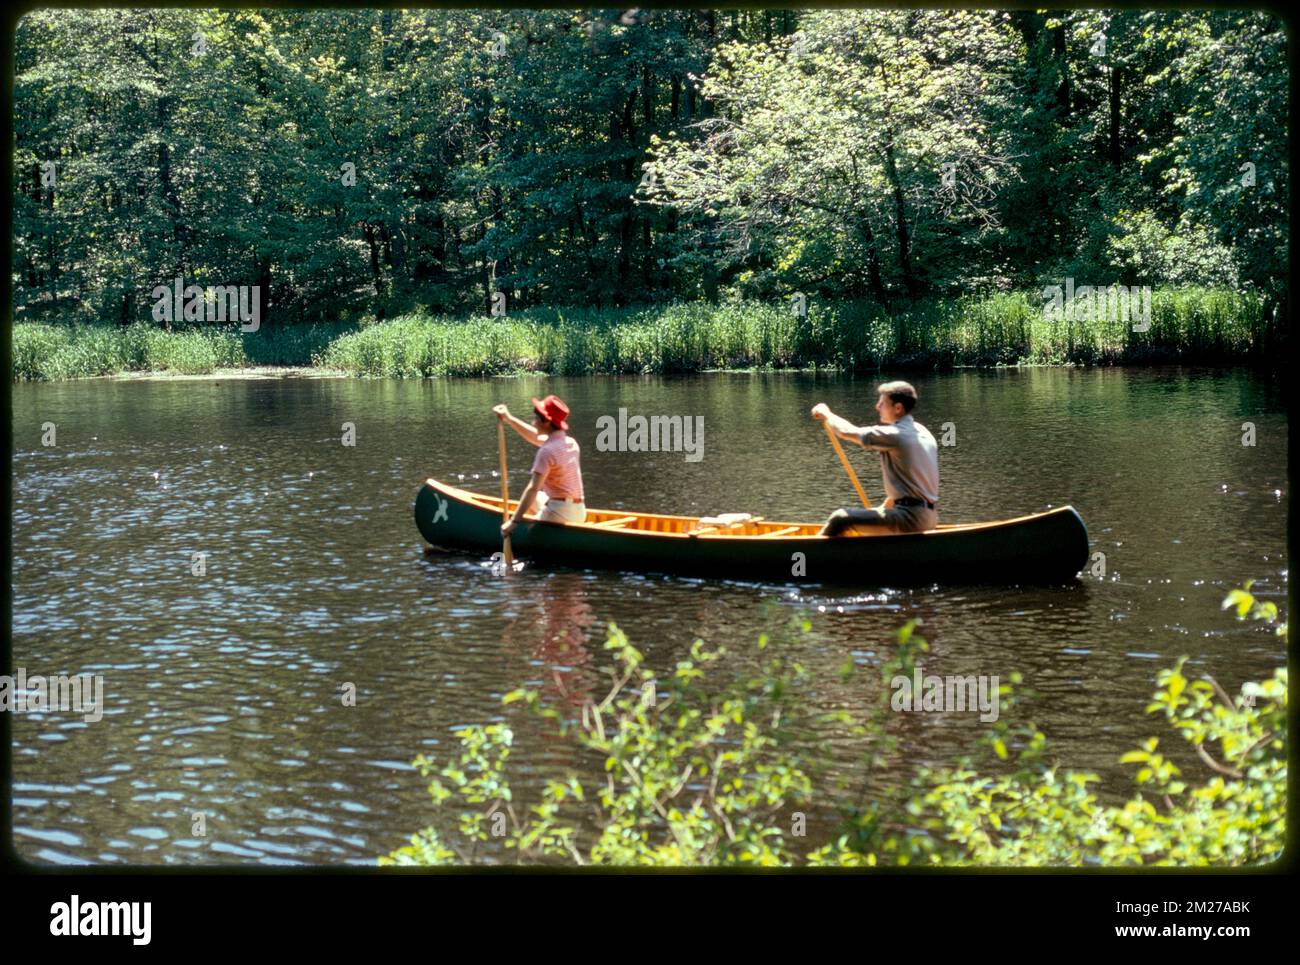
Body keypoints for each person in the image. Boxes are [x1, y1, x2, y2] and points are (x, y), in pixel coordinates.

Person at [811, 380, 939, 537]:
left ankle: (807, 555)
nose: (877, 406)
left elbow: (846, 431)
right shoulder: (924, 433)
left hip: (909, 519)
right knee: (865, 517)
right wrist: (882, 509)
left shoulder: (895, 435)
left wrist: (826, 414)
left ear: (898, 408)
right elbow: (911, 488)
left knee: (840, 518)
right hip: (929, 518)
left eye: (882, 402)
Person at [493, 394, 586, 536]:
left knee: (526, 527)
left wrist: (514, 522)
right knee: (536, 500)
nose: (533, 422)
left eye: (536, 418)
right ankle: (541, 519)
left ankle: (533, 531)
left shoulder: (547, 451)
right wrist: (509, 418)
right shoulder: (570, 443)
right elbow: (535, 437)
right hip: (579, 511)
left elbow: (533, 488)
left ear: (547, 422)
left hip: (560, 513)